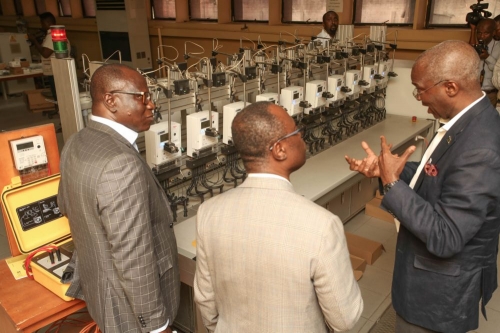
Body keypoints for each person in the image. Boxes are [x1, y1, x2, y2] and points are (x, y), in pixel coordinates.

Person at [346, 40, 500, 332]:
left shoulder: (480, 146)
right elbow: (439, 174)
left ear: (450, 87)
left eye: (420, 88)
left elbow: (447, 236)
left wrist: (392, 183)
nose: (418, 97)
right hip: (430, 284)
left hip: (438, 298)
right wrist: (390, 170)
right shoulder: (468, 122)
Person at [194, 101, 363, 333]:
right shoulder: (322, 225)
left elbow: (205, 300)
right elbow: (344, 319)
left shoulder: (209, 213)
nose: (302, 137)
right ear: (279, 150)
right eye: (297, 132)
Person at [58, 64, 180, 333]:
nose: (152, 104)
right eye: (143, 97)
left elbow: (65, 205)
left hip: (99, 288)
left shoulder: (76, 142)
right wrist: (157, 326)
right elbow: (133, 256)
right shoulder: (120, 163)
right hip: (129, 310)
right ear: (111, 100)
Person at [28, 12, 71, 102]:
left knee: (59, 94)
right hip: (56, 70)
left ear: (48, 23)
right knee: (57, 93)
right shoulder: (52, 34)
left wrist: (34, 40)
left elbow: (46, 53)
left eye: (42, 23)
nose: (41, 25)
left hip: (57, 71)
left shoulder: (53, 35)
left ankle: (61, 110)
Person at [468, 18, 500, 105]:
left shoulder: (498, 47)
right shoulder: (475, 45)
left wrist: (487, 57)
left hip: (490, 94)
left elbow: (498, 71)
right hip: (474, 93)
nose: (481, 36)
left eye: (486, 33)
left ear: (493, 33)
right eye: (479, 33)